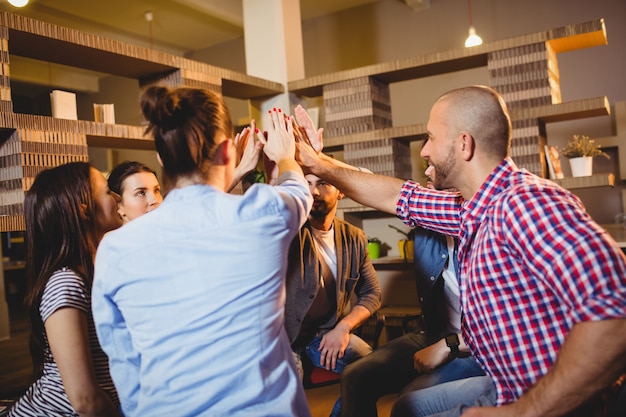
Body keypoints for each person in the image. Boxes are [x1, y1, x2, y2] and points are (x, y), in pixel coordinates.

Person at [296, 85, 626, 416]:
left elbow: (617, 312)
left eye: (430, 138)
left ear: (463, 144)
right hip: (505, 385)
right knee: (407, 409)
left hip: (548, 401)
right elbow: (396, 196)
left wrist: (521, 412)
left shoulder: (524, 203)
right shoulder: (468, 209)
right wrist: (319, 163)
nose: (424, 150)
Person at [91, 86, 313, 417]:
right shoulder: (262, 213)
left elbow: (124, 362)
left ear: (162, 160)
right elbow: (297, 191)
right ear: (228, 152)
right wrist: (285, 156)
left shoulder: (114, 249)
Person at [338, 168, 484, 417]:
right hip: (434, 333)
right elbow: (380, 190)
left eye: (433, 163)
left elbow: (500, 328)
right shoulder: (426, 223)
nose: (426, 170)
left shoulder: (483, 228)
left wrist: (449, 344)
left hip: (475, 348)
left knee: (409, 400)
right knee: (355, 376)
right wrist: (317, 160)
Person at [9, 162, 122, 417]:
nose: (116, 196)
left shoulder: (94, 271)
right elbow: (84, 400)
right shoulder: (66, 282)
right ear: (84, 210)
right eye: (106, 191)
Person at [284, 173, 382, 408]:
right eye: (307, 184)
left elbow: (372, 293)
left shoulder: (354, 238)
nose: (314, 191)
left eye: (322, 183)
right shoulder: (289, 232)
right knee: (288, 402)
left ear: (341, 191)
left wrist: (343, 328)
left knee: (374, 371)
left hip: (325, 335)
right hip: (285, 339)